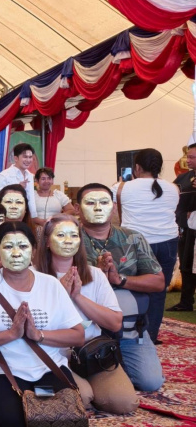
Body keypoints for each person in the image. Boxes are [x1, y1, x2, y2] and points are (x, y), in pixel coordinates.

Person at [0, 221, 85, 427]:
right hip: (1, 371)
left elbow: (78, 335)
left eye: (23, 246)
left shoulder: (50, 284)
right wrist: (10, 334)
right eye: (8, 247)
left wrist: (38, 335)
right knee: (13, 420)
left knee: (63, 418)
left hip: (48, 367)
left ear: (34, 250)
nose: (16, 253)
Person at [35, 214, 138, 414]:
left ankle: (91, 387)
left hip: (92, 352)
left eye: (74, 236)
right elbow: (32, 327)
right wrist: (61, 295)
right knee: (82, 397)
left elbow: (115, 323)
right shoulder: (33, 275)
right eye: (61, 235)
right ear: (47, 242)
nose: (67, 241)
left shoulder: (95, 274)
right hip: (53, 352)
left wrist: (78, 297)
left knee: (124, 403)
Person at [77, 183, 165, 391]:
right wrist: (95, 276)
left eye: (104, 202)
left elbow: (158, 281)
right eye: (90, 203)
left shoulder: (132, 238)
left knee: (150, 383)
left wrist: (121, 280)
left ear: (114, 207)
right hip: (87, 329)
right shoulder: (68, 239)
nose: (98, 208)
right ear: (77, 207)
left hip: (129, 330)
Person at [112, 149, 179, 343]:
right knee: (159, 289)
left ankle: (131, 330)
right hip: (168, 242)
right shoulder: (173, 188)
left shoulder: (122, 187)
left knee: (131, 286)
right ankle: (151, 336)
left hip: (135, 242)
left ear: (137, 167)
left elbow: (113, 213)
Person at [171, 143, 196, 311]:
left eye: (193, 157)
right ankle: (186, 302)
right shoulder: (182, 179)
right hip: (187, 229)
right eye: (188, 156)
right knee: (185, 264)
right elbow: (173, 201)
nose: (188, 160)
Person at [0, 143, 38, 219]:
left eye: (30, 157)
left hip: (26, 216)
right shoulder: (3, 176)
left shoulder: (30, 176)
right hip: (9, 217)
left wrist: (34, 216)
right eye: (25, 157)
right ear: (16, 158)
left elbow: (31, 199)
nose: (28, 160)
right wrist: (17, 188)